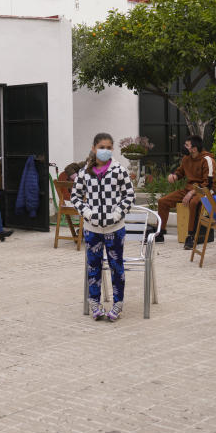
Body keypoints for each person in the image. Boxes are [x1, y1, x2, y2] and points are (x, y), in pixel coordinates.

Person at [70, 133, 135, 321]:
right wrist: (87, 213)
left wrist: (117, 214)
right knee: (93, 267)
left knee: (117, 267)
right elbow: (75, 196)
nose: (105, 151)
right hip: (93, 229)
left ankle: (117, 304)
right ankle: (95, 304)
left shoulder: (119, 171)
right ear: (93, 148)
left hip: (115, 228)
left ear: (112, 149)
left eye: (108, 147)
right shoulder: (84, 172)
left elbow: (129, 195)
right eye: (101, 147)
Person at [155, 135, 215, 250]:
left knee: (194, 203)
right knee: (163, 202)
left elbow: (209, 184)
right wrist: (174, 177)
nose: (184, 147)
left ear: (194, 148)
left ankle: (191, 236)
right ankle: (160, 233)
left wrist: (192, 192)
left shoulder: (207, 160)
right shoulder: (186, 158)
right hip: (189, 189)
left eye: (187, 145)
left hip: (205, 190)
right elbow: (180, 172)